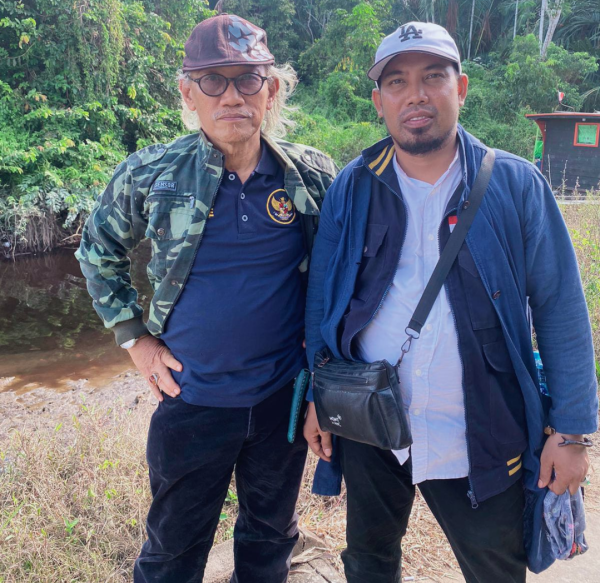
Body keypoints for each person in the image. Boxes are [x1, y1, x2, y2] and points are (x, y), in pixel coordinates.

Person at [303, 21, 597, 583]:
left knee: (494, 567)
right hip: (371, 420)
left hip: (482, 428)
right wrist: (318, 395)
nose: (415, 94)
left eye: (432, 77)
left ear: (460, 88)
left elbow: (561, 309)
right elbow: (323, 297)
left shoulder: (514, 185)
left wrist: (572, 433)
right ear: (378, 102)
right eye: (397, 82)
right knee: (368, 558)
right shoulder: (353, 185)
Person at [76, 14, 337, 583]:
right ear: (188, 92)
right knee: (172, 550)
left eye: (247, 79)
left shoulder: (312, 177)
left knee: (270, 539)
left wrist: (323, 384)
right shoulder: (153, 174)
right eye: (212, 80)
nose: (231, 95)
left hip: (281, 402)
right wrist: (136, 341)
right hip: (192, 402)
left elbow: (336, 286)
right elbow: (97, 251)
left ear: (271, 89)